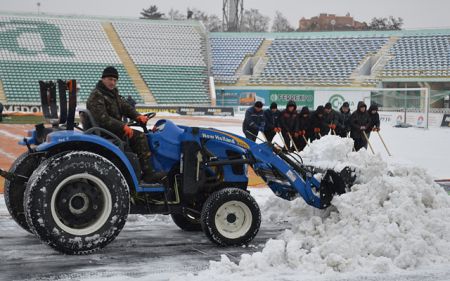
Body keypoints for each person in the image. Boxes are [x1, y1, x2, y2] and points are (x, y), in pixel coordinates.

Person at [86, 66, 166, 184]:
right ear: (103, 79)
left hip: (112, 129)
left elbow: (125, 107)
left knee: (141, 134)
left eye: (114, 80)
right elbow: (103, 119)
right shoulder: (97, 95)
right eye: (109, 79)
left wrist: (138, 116)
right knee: (140, 137)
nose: (112, 82)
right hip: (106, 131)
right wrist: (122, 127)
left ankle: (142, 167)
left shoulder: (112, 94)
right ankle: (149, 174)